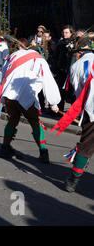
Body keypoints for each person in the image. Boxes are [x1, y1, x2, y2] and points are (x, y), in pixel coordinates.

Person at [0, 38, 60, 163]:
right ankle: (43, 152)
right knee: (35, 122)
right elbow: (48, 79)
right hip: (27, 96)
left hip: (9, 95)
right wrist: (53, 102)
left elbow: (4, 74)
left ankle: (5, 148)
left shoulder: (12, 56)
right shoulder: (38, 58)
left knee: (12, 120)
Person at [51, 34, 94, 192]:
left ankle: (73, 181)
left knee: (86, 146)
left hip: (92, 110)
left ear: (81, 52)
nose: (74, 56)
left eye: (75, 53)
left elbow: (78, 92)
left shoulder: (77, 66)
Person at [54, 25, 75, 112]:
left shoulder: (74, 43)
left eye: (66, 32)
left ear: (71, 33)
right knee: (60, 91)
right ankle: (59, 110)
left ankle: (75, 112)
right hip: (61, 70)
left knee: (71, 92)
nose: (64, 34)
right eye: (63, 32)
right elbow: (56, 56)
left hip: (70, 70)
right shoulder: (60, 43)